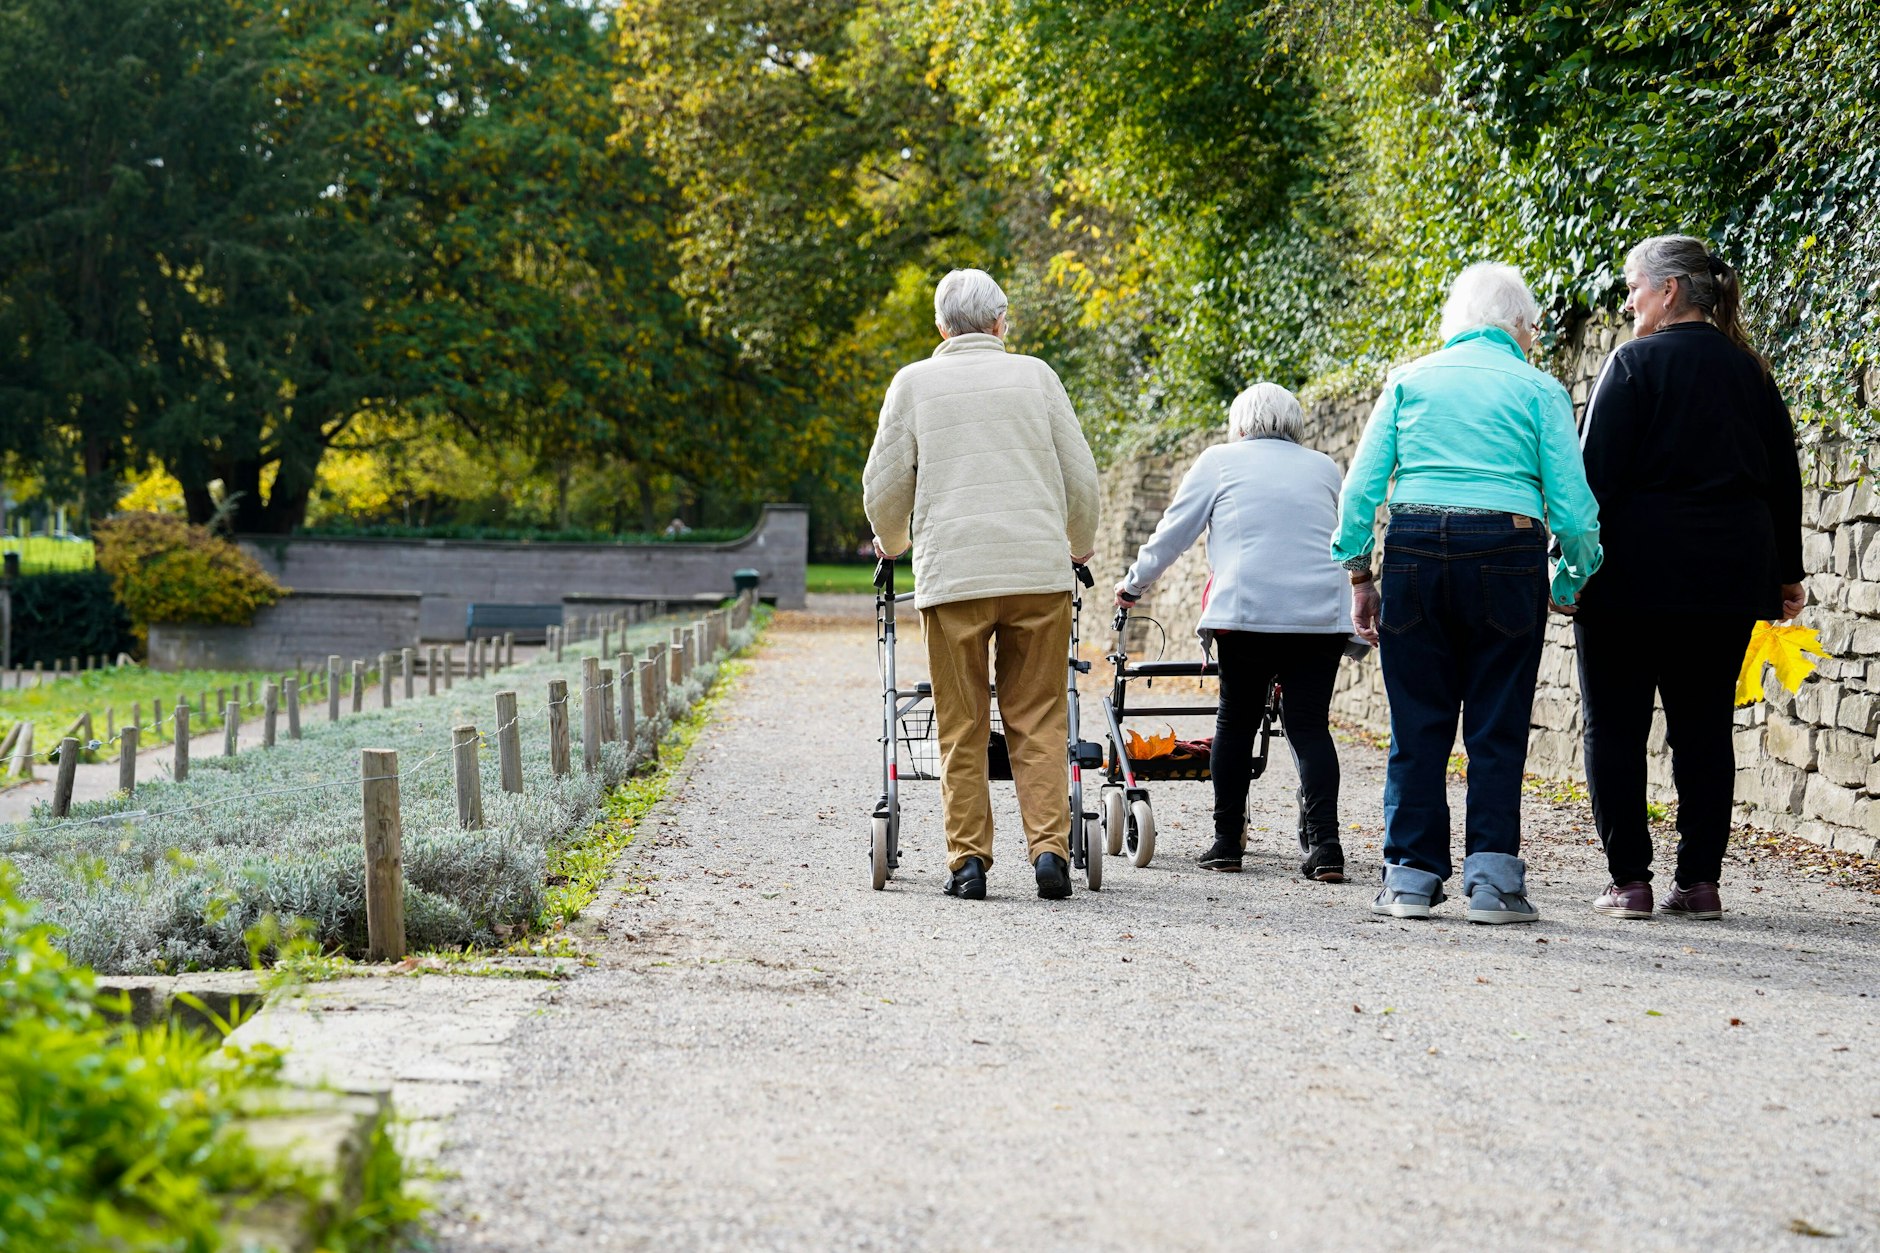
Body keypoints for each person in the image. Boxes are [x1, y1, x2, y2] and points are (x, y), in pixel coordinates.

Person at [1334, 262, 1603, 924]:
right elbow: (1573, 509)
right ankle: (1492, 883)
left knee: (1417, 721)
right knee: (1496, 724)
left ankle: (1410, 878)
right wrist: (1571, 577)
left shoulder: (1409, 380)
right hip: (1507, 551)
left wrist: (1360, 574)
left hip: (1416, 546)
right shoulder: (1539, 390)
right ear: (1519, 326)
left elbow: (1359, 492)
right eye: (1535, 329)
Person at [1577, 236, 1805, 922]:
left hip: (1629, 581)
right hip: (1727, 578)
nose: (1628, 300)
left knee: (1613, 727)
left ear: (1668, 290)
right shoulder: (1752, 372)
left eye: (1634, 286)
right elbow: (1782, 482)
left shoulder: (1632, 364)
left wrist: (1571, 568)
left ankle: (1631, 881)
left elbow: (1594, 482)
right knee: (1704, 729)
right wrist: (1787, 574)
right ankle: (1699, 882)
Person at [862, 268, 1100, 901]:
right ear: (1002, 322)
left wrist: (892, 542)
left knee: (961, 722)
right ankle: (1049, 852)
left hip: (956, 577)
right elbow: (1081, 479)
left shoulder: (913, 383)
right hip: (1036, 575)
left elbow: (886, 488)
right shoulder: (1037, 375)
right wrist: (1079, 547)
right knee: (1040, 715)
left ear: (941, 327)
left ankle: (968, 862)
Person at [1114, 383, 1355, 880]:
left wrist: (1134, 584)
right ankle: (1327, 847)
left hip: (1247, 613)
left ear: (1241, 424)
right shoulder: (1325, 467)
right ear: (1294, 425)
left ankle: (1227, 843)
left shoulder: (1219, 460)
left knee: (1236, 722)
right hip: (1318, 614)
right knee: (1309, 726)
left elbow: (1175, 531)